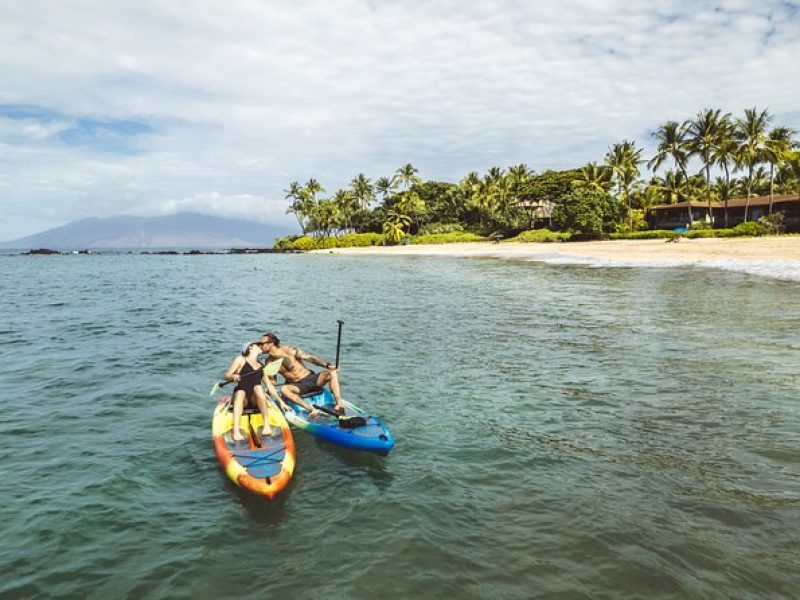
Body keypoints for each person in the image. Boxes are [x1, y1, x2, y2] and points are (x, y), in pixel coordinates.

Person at [259, 332, 345, 414]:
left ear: (271, 343)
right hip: (297, 386)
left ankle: (339, 403)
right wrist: (262, 379)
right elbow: (273, 382)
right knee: (284, 389)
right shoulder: (269, 362)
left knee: (332, 373)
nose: (260, 346)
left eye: (262, 344)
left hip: (311, 379)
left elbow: (310, 358)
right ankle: (311, 409)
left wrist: (327, 365)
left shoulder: (289, 350)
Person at [224, 342, 273, 442]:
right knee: (241, 392)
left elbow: (269, 385)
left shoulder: (261, 365)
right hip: (243, 399)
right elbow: (227, 375)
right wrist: (233, 376)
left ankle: (266, 425)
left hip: (255, 399)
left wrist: (281, 402)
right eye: (257, 345)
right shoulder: (240, 359)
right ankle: (236, 430)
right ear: (250, 347)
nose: (260, 346)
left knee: (259, 388)